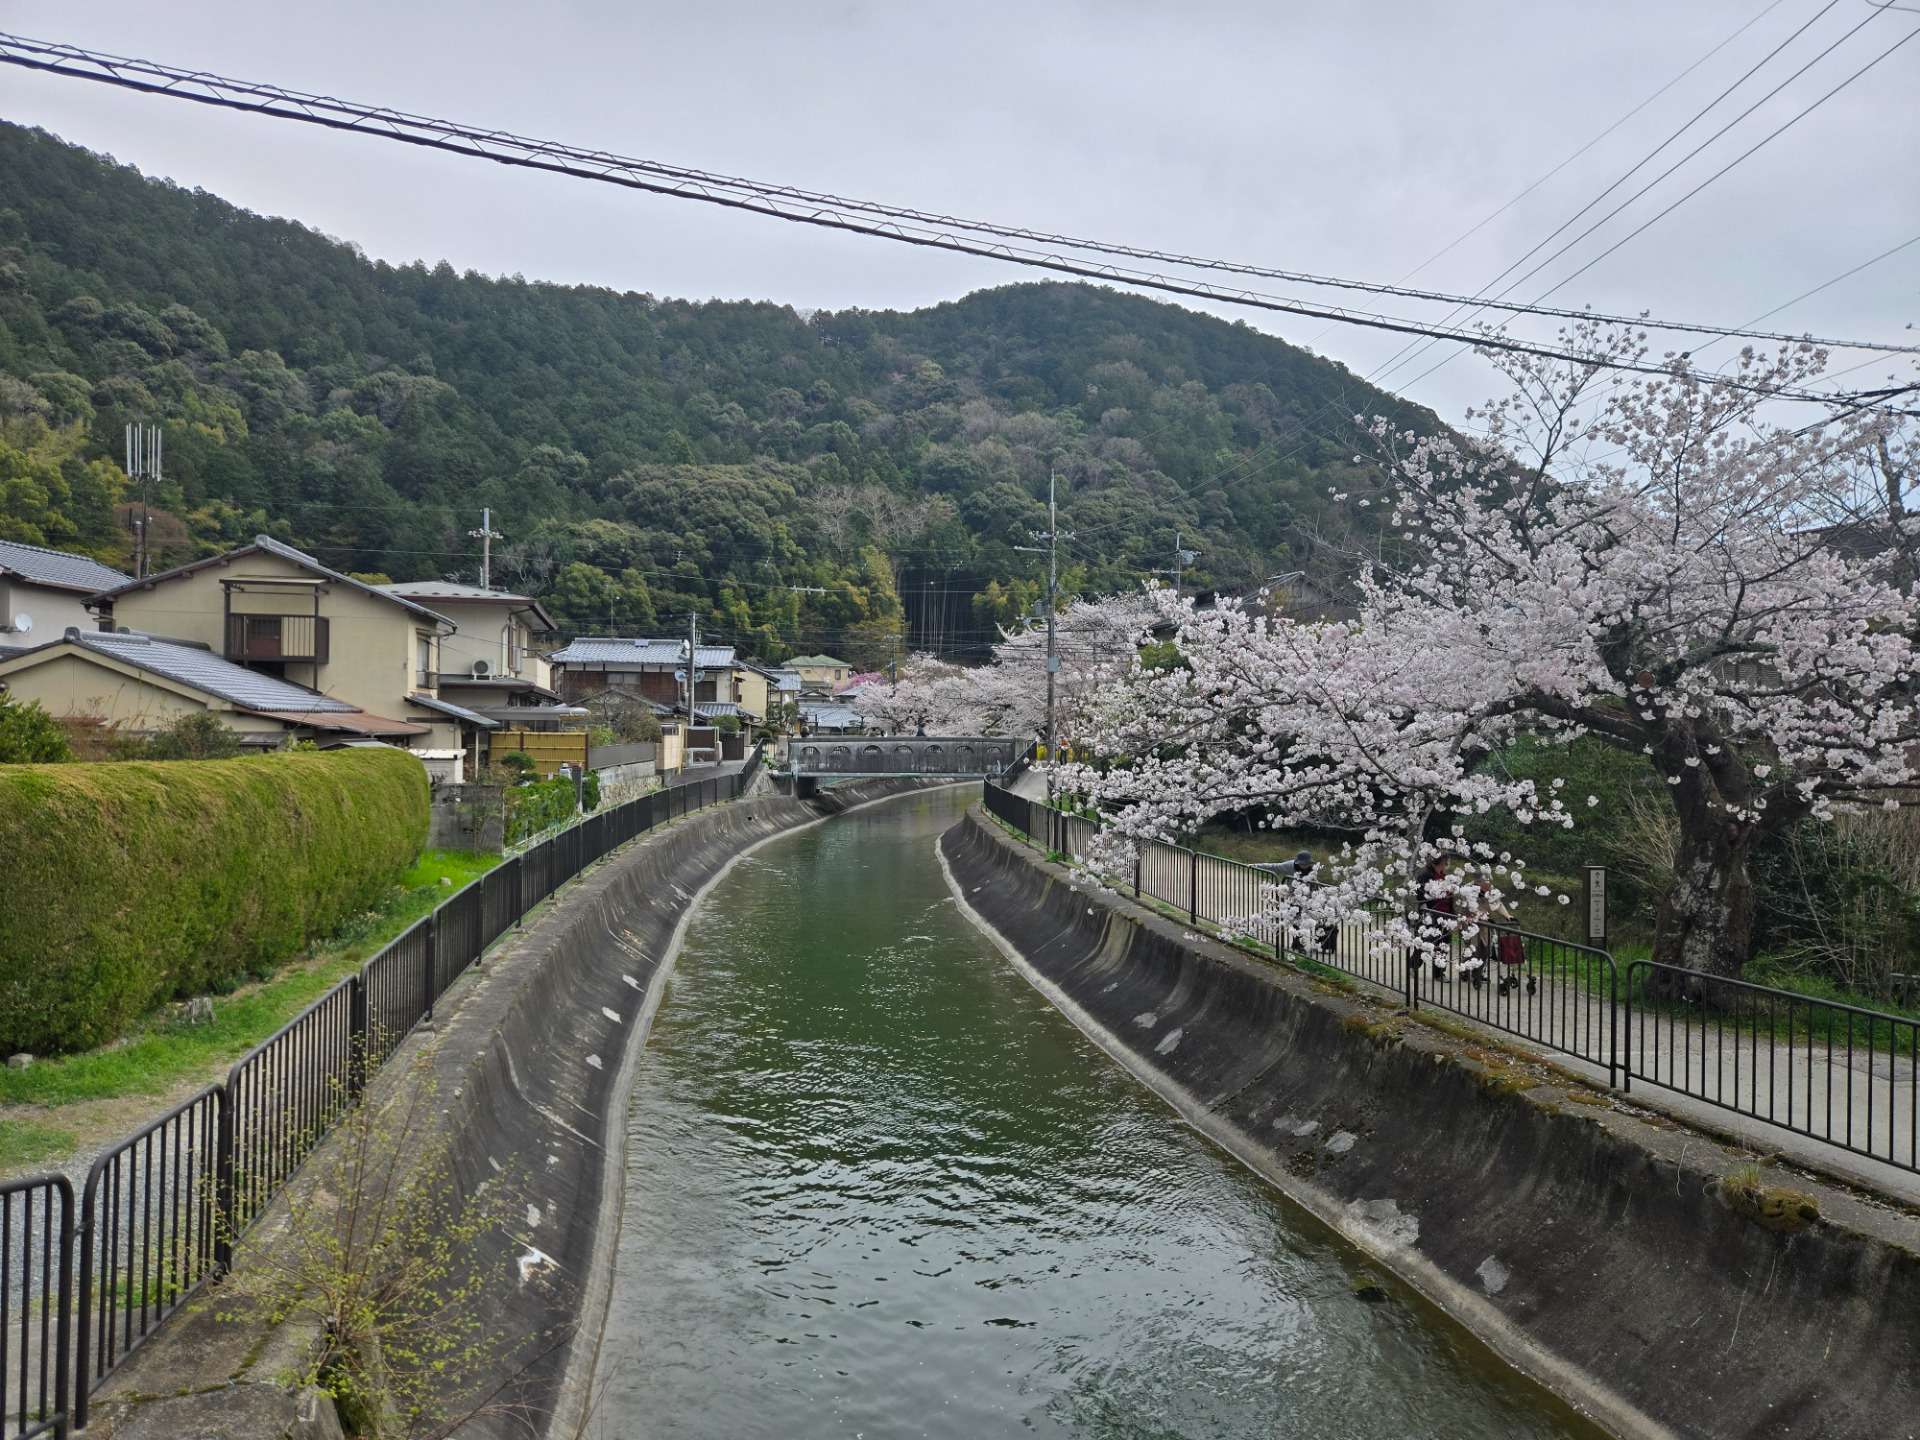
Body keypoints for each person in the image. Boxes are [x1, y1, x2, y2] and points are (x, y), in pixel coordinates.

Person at [1420, 856, 1455, 980]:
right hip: (1432, 914)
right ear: (1440, 862)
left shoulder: (1445, 877)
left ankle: (1439, 973)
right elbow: (1420, 894)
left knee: (1444, 944)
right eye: (1445, 862)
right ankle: (1413, 965)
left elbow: (1451, 897)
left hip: (1446, 915)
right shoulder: (1426, 875)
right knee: (1428, 942)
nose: (1446, 864)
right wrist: (1425, 911)